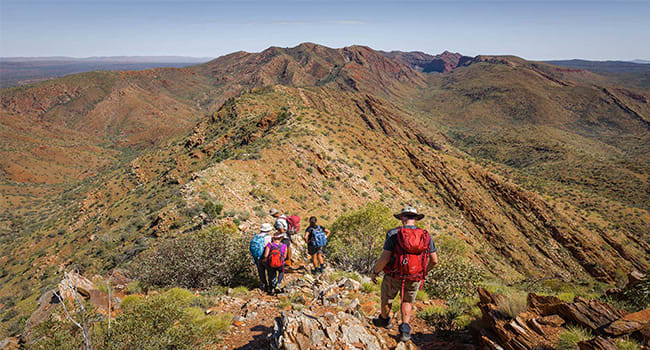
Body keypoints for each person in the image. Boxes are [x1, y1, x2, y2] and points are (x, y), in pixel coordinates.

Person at [370, 207, 438, 342]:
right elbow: (434, 260)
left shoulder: (394, 234)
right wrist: (423, 272)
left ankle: (384, 320)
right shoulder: (426, 235)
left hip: (394, 276)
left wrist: (375, 272)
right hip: (415, 277)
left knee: (387, 299)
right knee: (407, 301)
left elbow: (385, 258)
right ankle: (405, 331)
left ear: (402, 218)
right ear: (416, 218)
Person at [249, 223, 273, 291]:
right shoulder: (268, 237)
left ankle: (264, 285)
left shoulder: (256, 236)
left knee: (261, 271)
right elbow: (270, 246)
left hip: (257, 257)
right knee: (269, 271)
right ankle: (271, 286)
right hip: (265, 257)